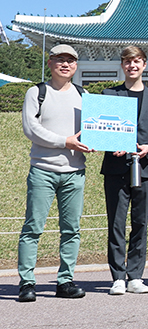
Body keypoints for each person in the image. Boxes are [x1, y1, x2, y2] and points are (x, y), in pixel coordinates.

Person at [18, 44, 91, 302]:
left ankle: (65, 281)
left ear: (76, 66)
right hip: (43, 171)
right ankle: (27, 281)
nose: (65, 64)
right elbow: (31, 128)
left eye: (70, 60)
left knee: (71, 228)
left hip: (75, 171)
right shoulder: (37, 92)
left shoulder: (84, 95)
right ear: (50, 63)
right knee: (33, 227)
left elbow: (95, 129)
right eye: (59, 60)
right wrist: (65, 141)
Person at [102, 46, 148, 295]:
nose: (133, 65)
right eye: (128, 61)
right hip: (116, 167)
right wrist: (112, 146)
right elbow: (101, 129)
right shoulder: (110, 94)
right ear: (122, 65)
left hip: (146, 167)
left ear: (145, 65)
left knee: (140, 222)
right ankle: (118, 276)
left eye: (137, 61)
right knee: (116, 222)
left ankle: (136, 276)